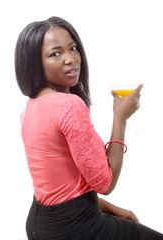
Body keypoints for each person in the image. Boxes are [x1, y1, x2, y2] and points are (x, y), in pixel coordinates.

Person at [15, 16, 163, 240]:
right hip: (77, 229)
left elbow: (62, 188)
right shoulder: (69, 105)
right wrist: (120, 117)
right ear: (35, 64)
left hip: (40, 226)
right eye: (55, 53)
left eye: (73, 48)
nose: (71, 59)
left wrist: (111, 209)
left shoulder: (30, 107)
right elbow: (105, 183)